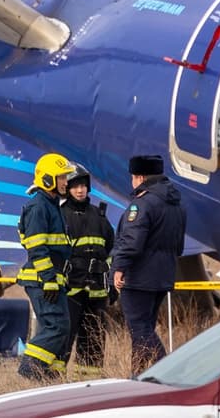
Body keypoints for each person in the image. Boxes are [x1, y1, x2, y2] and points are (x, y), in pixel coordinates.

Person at [110, 155, 186, 377]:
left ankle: (169, 372)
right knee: (145, 329)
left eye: (133, 178)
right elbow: (179, 246)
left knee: (140, 328)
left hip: (139, 277)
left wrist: (119, 268)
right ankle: (141, 376)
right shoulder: (176, 204)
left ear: (140, 177)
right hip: (163, 276)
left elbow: (131, 242)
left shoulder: (142, 204)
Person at [16, 153, 75, 381]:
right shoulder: (38, 206)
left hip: (53, 280)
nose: (66, 182)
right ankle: (29, 371)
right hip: (42, 281)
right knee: (56, 327)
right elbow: (37, 247)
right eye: (61, 177)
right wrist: (49, 278)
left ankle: (52, 378)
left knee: (63, 328)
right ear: (48, 179)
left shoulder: (53, 205)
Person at [60, 162, 114, 375]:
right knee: (65, 337)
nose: (80, 190)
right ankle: (53, 381)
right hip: (70, 290)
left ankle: (88, 382)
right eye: (75, 186)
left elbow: (111, 250)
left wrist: (111, 285)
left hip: (96, 292)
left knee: (94, 339)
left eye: (83, 185)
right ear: (68, 188)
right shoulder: (60, 215)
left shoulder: (99, 217)